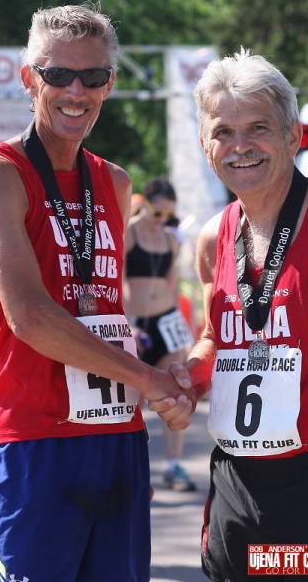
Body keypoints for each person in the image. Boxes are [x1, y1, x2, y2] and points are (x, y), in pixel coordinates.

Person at [0, 4, 195, 582]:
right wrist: (148, 379)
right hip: (36, 440)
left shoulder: (115, 182)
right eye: (58, 74)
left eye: (93, 76)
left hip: (116, 440)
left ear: (110, 84)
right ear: (28, 78)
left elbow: (108, 311)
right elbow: (31, 317)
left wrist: (156, 394)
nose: (76, 91)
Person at [149, 47, 308, 582]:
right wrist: (189, 379)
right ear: (205, 145)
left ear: (292, 135)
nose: (240, 146)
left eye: (258, 127)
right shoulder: (213, 236)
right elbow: (218, 337)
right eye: (223, 132)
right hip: (235, 485)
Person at [124, 178, 196, 491]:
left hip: (166, 320)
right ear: (145, 205)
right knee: (134, 399)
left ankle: (174, 466)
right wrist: (128, 322)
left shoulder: (170, 238)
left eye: (168, 215)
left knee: (175, 394)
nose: (161, 220)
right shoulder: (128, 233)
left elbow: (172, 285)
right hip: (135, 323)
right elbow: (117, 281)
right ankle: (130, 468)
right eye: (157, 213)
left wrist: (184, 329)